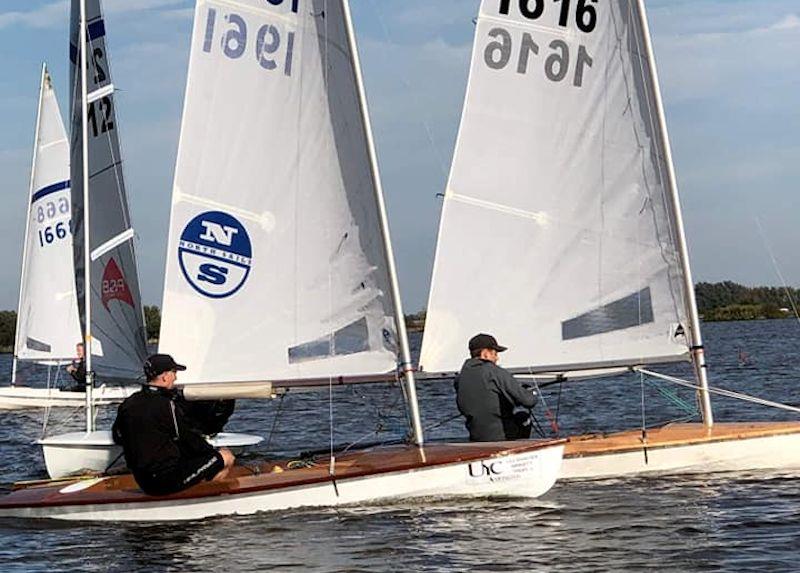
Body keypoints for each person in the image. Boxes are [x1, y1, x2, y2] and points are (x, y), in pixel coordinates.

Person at [112, 353, 236, 496]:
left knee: (196, 459)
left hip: (142, 479)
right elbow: (187, 438)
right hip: (165, 481)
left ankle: (194, 488)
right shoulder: (167, 404)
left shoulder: (128, 403)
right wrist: (213, 453)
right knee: (226, 456)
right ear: (165, 376)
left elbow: (118, 436)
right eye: (174, 372)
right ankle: (207, 499)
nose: (176, 377)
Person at [454, 333, 538, 442]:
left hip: (476, 437)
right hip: (501, 437)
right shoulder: (495, 372)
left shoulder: (459, 378)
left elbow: (486, 397)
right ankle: (517, 451)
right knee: (523, 417)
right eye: (495, 354)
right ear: (485, 354)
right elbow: (529, 401)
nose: (497, 358)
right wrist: (532, 393)